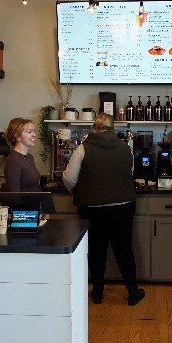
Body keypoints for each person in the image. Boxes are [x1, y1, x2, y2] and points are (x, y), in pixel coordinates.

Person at [63, 113, 145, 306]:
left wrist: (79, 190)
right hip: (123, 207)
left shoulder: (82, 149)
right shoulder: (126, 148)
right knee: (124, 250)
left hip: (93, 209)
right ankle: (133, 292)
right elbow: (129, 172)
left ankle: (98, 293)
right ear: (113, 128)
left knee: (96, 251)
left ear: (95, 128)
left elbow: (70, 179)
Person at [2, 117, 40, 192]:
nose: (34, 134)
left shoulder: (29, 157)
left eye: (34, 131)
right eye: (29, 132)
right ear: (18, 137)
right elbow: (14, 194)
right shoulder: (13, 161)